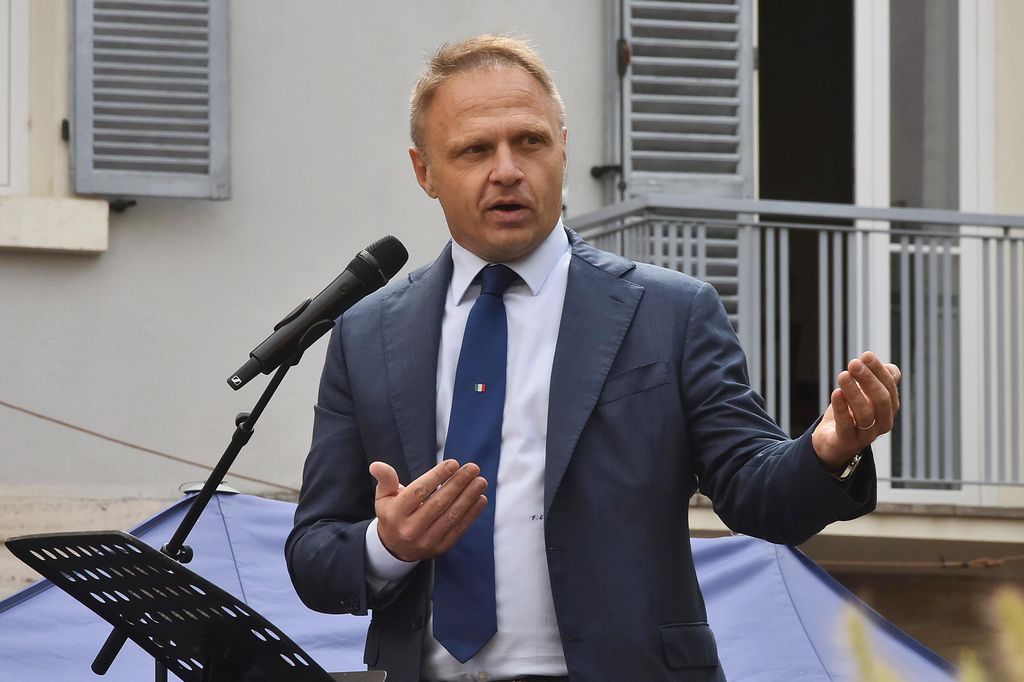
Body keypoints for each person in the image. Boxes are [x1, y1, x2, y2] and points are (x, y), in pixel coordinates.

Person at [286, 35, 901, 682]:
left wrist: (828, 449)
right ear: (424, 171)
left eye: (530, 141)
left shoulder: (670, 313)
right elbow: (312, 553)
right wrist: (387, 545)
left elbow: (758, 494)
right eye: (475, 150)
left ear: (563, 148)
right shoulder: (367, 334)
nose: (507, 170)